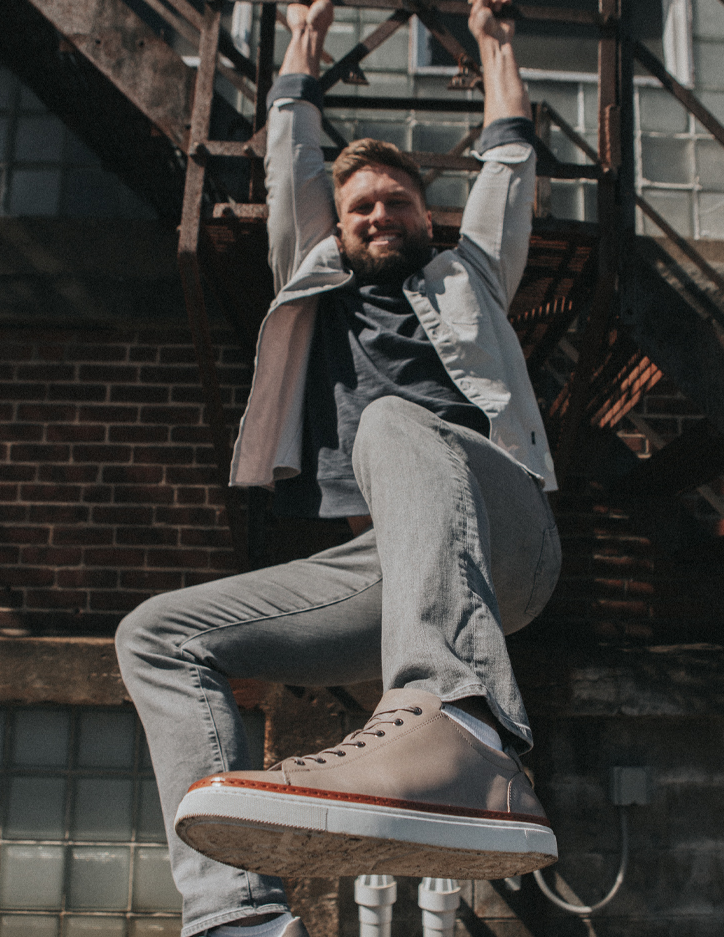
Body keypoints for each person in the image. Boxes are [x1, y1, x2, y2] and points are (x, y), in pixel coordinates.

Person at [116, 0, 561, 934]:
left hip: (503, 531)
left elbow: (510, 163)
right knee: (157, 634)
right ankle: (237, 913)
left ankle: (466, 723)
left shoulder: (469, 274)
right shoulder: (309, 284)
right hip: (386, 568)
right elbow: (293, 161)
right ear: (337, 227)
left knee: (394, 421)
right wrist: (303, 44)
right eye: (359, 207)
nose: (376, 214)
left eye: (397, 200)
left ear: (426, 216)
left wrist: (496, 46)